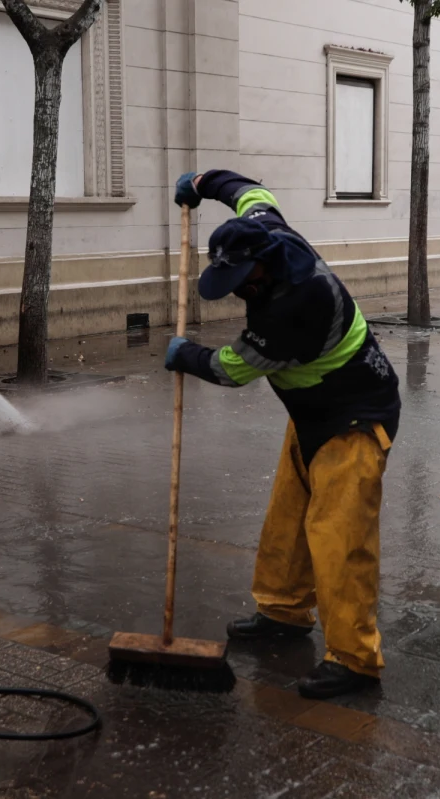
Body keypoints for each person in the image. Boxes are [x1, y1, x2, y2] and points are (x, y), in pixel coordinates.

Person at [166, 170, 402, 700]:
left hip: (356, 417)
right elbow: (248, 191)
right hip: (313, 412)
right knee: (288, 519)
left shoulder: (297, 303)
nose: (237, 295)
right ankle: (284, 612)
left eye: (242, 285)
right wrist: (202, 183)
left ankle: (355, 660)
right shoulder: (266, 229)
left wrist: (186, 356)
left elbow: (233, 368)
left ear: (263, 269)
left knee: (339, 537)